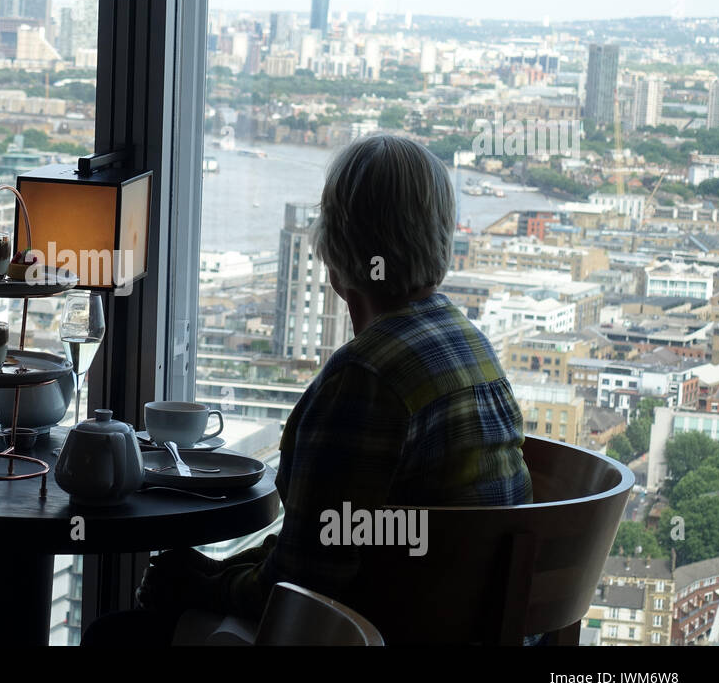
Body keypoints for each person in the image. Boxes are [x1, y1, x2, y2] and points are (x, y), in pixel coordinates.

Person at [97, 133, 532, 644]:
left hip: (373, 634)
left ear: (334, 248)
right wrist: (218, 576)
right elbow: (329, 544)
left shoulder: (366, 379)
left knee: (116, 636)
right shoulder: (472, 347)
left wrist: (199, 584)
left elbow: (302, 583)